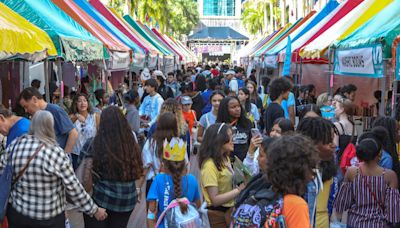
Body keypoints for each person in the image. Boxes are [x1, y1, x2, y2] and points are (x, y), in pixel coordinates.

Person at [0, 110, 107, 227]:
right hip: (48, 219)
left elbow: (2, 173)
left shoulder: (15, 145)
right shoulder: (56, 153)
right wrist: (94, 210)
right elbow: (74, 188)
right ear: (51, 127)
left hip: (18, 215)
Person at [82, 106, 143, 228]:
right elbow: (138, 168)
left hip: (101, 199)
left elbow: (83, 169)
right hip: (127, 199)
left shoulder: (94, 143)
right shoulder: (131, 143)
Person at [333, 131, 400, 227]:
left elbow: (342, 202)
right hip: (379, 224)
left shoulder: (352, 172)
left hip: (355, 222)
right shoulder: (389, 175)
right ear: (379, 154)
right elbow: (393, 210)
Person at [264, 134, 320, 227]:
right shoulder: (296, 205)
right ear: (301, 170)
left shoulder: (265, 196)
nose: (312, 174)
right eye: (311, 166)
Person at [146, 137, 201, 228]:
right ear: (185, 164)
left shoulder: (159, 179)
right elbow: (197, 207)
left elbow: (151, 214)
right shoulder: (192, 180)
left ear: (164, 164)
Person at [199, 123, 245, 227]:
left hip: (229, 212)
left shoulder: (226, 159)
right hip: (217, 216)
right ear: (219, 140)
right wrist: (238, 190)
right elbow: (215, 200)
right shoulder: (209, 165)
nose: (233, 140)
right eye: (229, 136)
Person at [297, 117, 338, 228]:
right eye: (329, 141)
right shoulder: (298, 178)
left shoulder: (320, 171)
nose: (334, 145)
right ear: (312, 143)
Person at [141, 112, 189, 196]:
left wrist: (138, 187)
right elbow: (185, 166)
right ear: (175, 126)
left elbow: (146, 165)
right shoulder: (179, 143)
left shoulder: (151, 142)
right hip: (175, 182)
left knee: (152, 208)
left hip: (154, 182)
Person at [19, 87, 78, 153]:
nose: (26, 110)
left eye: (26, 106)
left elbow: (73, 133)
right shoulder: (34, 116)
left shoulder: (55, 110)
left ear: (34, 99)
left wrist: (65, 155)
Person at [69, 93, 100, 169]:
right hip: (76, 154)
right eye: (79, 101)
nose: (82, 103)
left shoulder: (95, 116)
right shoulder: (72, 117)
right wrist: (76, 117)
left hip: (92, 154)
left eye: (85, 101)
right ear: (75, 103)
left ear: (88, 103)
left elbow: (100, 134)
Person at [217, 96, 252, 161]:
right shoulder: (219, 126)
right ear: (225, 109)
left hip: (244, 162)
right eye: (233, 107)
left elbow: (251, 142)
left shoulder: (247, 123)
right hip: (226, 162)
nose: (237, 109)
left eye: (238, 106)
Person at [372, 116, 400, 187]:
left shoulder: (388, 150)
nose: (399, 133)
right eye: (397, 131)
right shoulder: (386, 157)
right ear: (388, 132)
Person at [333, 97, 358, 171]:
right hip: (351, 165)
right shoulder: (354, 126)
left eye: (336, 107)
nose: (334, 110)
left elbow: (335, 148)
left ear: (342, 109)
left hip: (339, 165)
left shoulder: (336, 125)